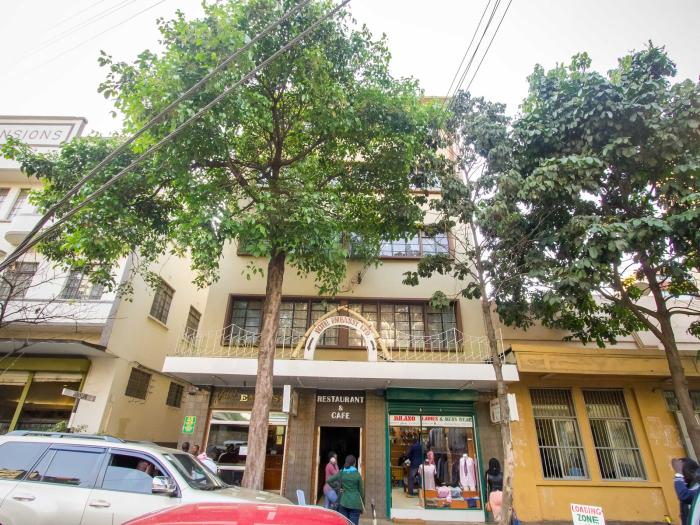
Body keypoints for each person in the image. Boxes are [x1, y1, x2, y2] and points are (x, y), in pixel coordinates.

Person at [327, 455, 364, 525]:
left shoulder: (341, 472)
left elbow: (329, 480)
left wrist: (337, 488)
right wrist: (362, 506)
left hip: (343, 503)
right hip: (355, 504)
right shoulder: (357, 474)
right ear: (354, 463)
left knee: (344, 523)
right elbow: (362, 492)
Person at [673, 457, 700, 525]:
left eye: (683, 472)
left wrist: (679, 474)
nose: (682, 477)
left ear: (692, 472)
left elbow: (684, 495)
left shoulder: (697, 489)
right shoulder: (689, 489)